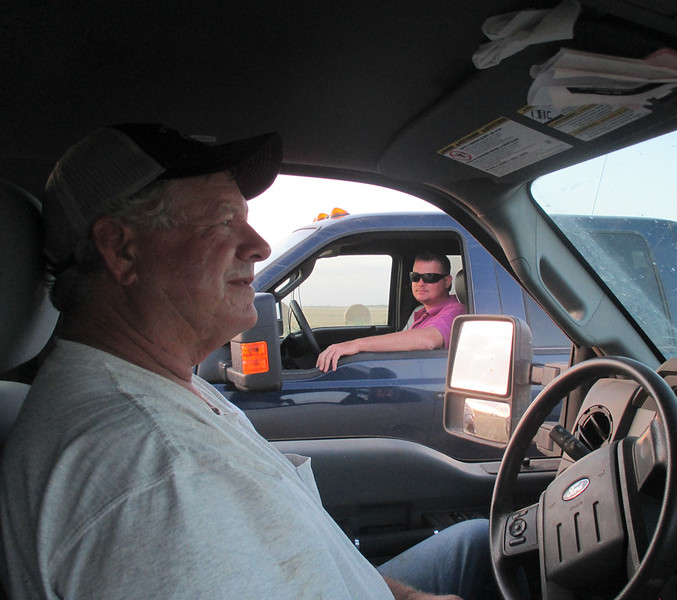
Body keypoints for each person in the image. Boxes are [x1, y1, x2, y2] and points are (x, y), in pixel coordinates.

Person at [0, 124, 499, 599]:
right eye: (223, 221)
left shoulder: (163, 391)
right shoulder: (157, 473)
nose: (259, 245)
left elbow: (311, 558)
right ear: (122, 250)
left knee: (477, 542)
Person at [316, 251, 467, 372]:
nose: (420, 283)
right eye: (415, 277)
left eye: (429, 277)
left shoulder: (456, 312)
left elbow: (427, 340)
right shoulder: (421, 312)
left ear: (447, 281)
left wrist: (356, 345)